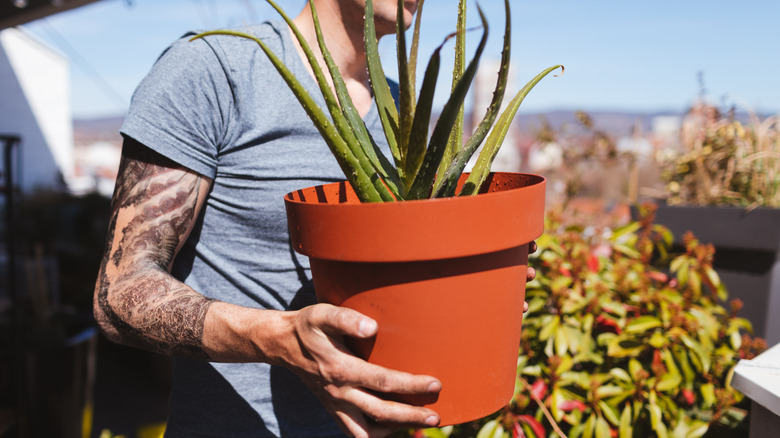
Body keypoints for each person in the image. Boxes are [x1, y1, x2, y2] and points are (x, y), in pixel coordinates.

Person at [93, 1, 535, 437]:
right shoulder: (214, 69)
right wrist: (275, 337)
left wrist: (477, 289)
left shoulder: (401, 108)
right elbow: (119, 293)